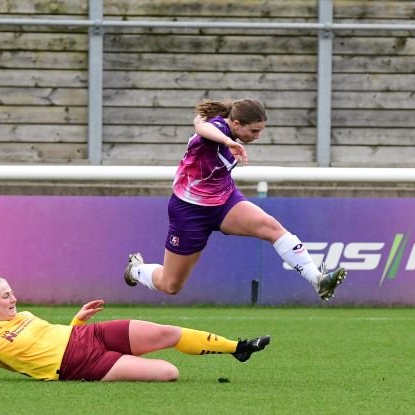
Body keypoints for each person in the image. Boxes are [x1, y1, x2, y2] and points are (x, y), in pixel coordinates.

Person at [123, 98, 347, 301]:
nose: (257, 136)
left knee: (271, 227)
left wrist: (230, 142)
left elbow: (202, 120)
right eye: (254, 130)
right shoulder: (218, 129)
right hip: (190, 211)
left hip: (224, 201)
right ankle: (135, 270)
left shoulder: (229, 130)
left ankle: (317, 279)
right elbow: (201, 126)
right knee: (171, 285)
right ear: (237, 124)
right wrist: (227, 142)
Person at [0, 277, 270, 384]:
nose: (14, 298)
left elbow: (50, 335)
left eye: (12, 293)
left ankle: (237, 346)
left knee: (166, 332)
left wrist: (77, 320)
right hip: (78, 366)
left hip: (88, 336)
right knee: (169, 373)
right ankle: (125, 361)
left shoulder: (23, 314)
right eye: (6, 296)